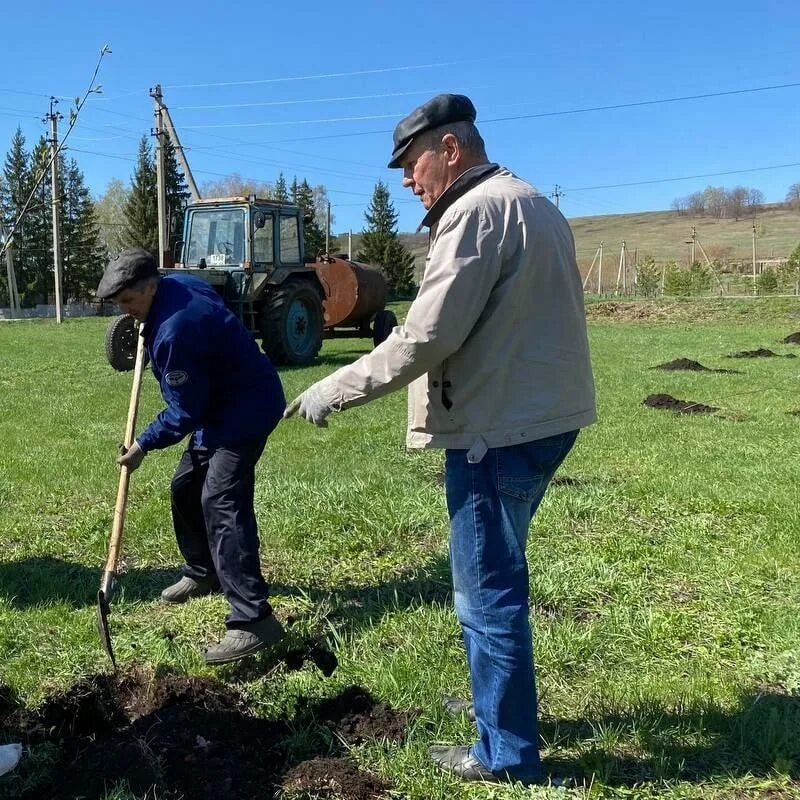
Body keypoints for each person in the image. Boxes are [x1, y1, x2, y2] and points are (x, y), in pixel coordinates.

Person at [285, 94, 596, 783]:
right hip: (547, 415)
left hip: (498, 428)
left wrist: (332, 389)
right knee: (496, 577)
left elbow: (426, 336)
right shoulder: (533, 202)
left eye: (409, 161)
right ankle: (497, 704)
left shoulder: (473, 214)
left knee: (486, 592)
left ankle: (506, 755)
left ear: (450, 149)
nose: (403, 178)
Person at [101, 249, 287, 664]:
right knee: (186, 486)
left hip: (245, 410)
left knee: (220, 500)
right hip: (219, 403)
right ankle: (203, 571)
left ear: (151, 286)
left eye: (129, 302)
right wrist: (145, 333)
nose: (126, 312)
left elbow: (187, 411)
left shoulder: (173, 331)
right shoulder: (178, 286)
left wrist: (143, 444)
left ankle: (253, 619)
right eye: (119, 305)